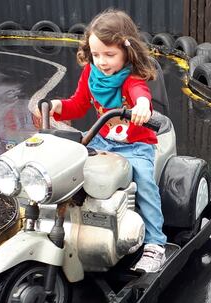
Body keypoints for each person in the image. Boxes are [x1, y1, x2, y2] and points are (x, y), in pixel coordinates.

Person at [48, 9, 167, 273]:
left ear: (127, 51)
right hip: (102, 142)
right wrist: (58, 106)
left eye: (109, 54)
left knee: (145, 182)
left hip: (136, 145)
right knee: (72, 173)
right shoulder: (91, 73)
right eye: (96, 54)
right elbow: (78, 105)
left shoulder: (131, 77)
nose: (102, 61)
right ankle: (69, 227)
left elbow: (140, 93)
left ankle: (155, 244)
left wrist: (143, 106)